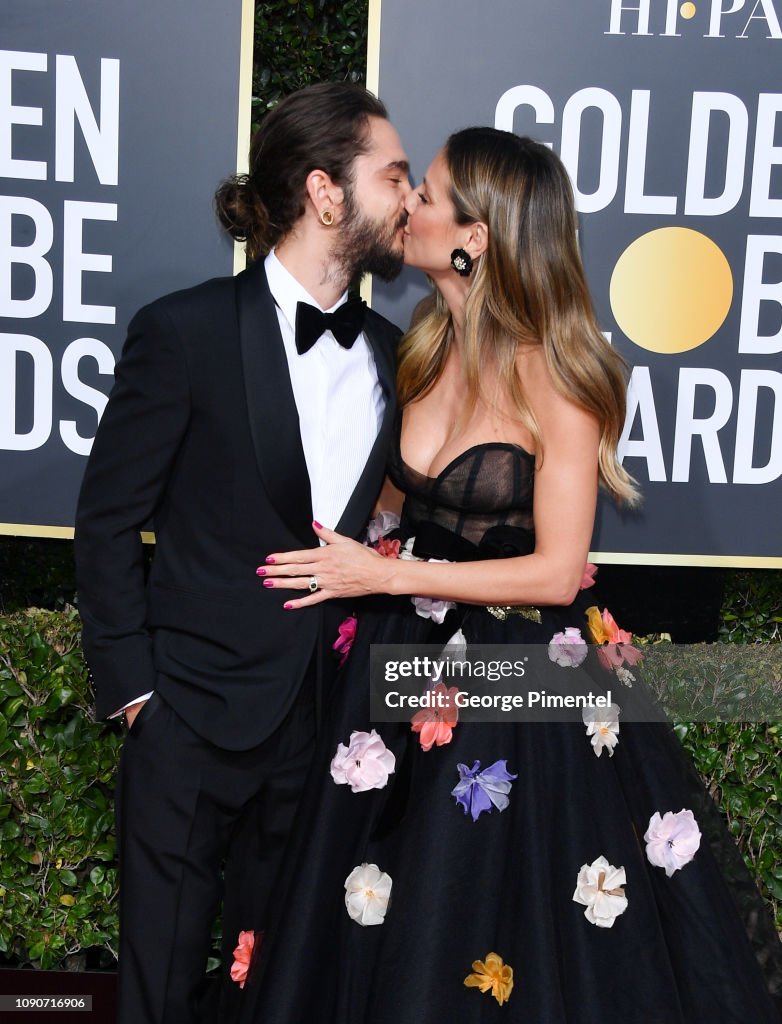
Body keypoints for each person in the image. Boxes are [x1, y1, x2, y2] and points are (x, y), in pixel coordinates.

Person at [238, 128, 782, 1022]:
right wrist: (358, 555)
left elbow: (559, 573)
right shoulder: (420, 347)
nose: (408, 204)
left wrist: (387, 577)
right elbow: (388, 508)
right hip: (398, 663)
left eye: (430, 192)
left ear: (476, 236)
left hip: (513, 680)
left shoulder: (556, 377)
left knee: (471, 902)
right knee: (371, 898)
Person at [74, 82, 411, 1024]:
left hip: (321, 727)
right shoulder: (183, 332)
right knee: (160, 987)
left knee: (284, 989)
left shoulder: (395, 353)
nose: (409, 195)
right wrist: (138, 695)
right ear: (326, 192)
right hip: (187, 717)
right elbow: (107, 522)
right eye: (392, 174)